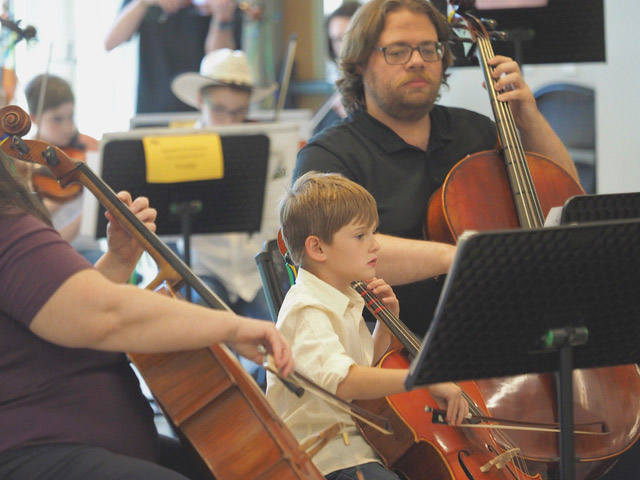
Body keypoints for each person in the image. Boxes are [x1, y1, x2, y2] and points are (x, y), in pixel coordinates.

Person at [0, 148, 294, 479]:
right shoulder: (7, 228)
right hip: (35, 452)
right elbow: (103, 314)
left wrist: (119, 261)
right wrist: (231, 327)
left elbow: (59, 313)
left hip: (77, 445)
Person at [295, 0, 580, 337]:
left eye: (428, 48)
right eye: (398, 51)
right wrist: (458, 257)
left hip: (502, 333)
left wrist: (530, 121)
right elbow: (335, 252)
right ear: (359, 62)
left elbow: (565, 201)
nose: (417, 61)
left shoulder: (478, 132)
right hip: (393, 354)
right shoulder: (328, 155)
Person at [266, 171, 468, 479]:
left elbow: (361, 368)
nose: (375, 245)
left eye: (373, 233)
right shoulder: (307, 309)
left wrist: (385, 326)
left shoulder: (345, 293)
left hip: (362, 449)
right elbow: (346, 382)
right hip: (331, 460)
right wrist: (421, 377)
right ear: (318, 248)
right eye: (361, 236)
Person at [104, 0, 243, 113]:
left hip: (205, 114)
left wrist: (222, 18)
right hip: (153, 111)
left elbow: (220, 61)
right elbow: (111, 42)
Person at [23, 73, 102, 261]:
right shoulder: (26, 165)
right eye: (57, 119)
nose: (69, 128)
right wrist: (92, 205)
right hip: (56, 256)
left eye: (71, 116)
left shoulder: (86, 149)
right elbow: (47, 243)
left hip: (92, 251)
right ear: (34, 118)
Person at [312, 2, 361, 136]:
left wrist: (354, 117)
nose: (343, 47)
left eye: (348, 38)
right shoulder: (338, 93)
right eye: (337, 40)